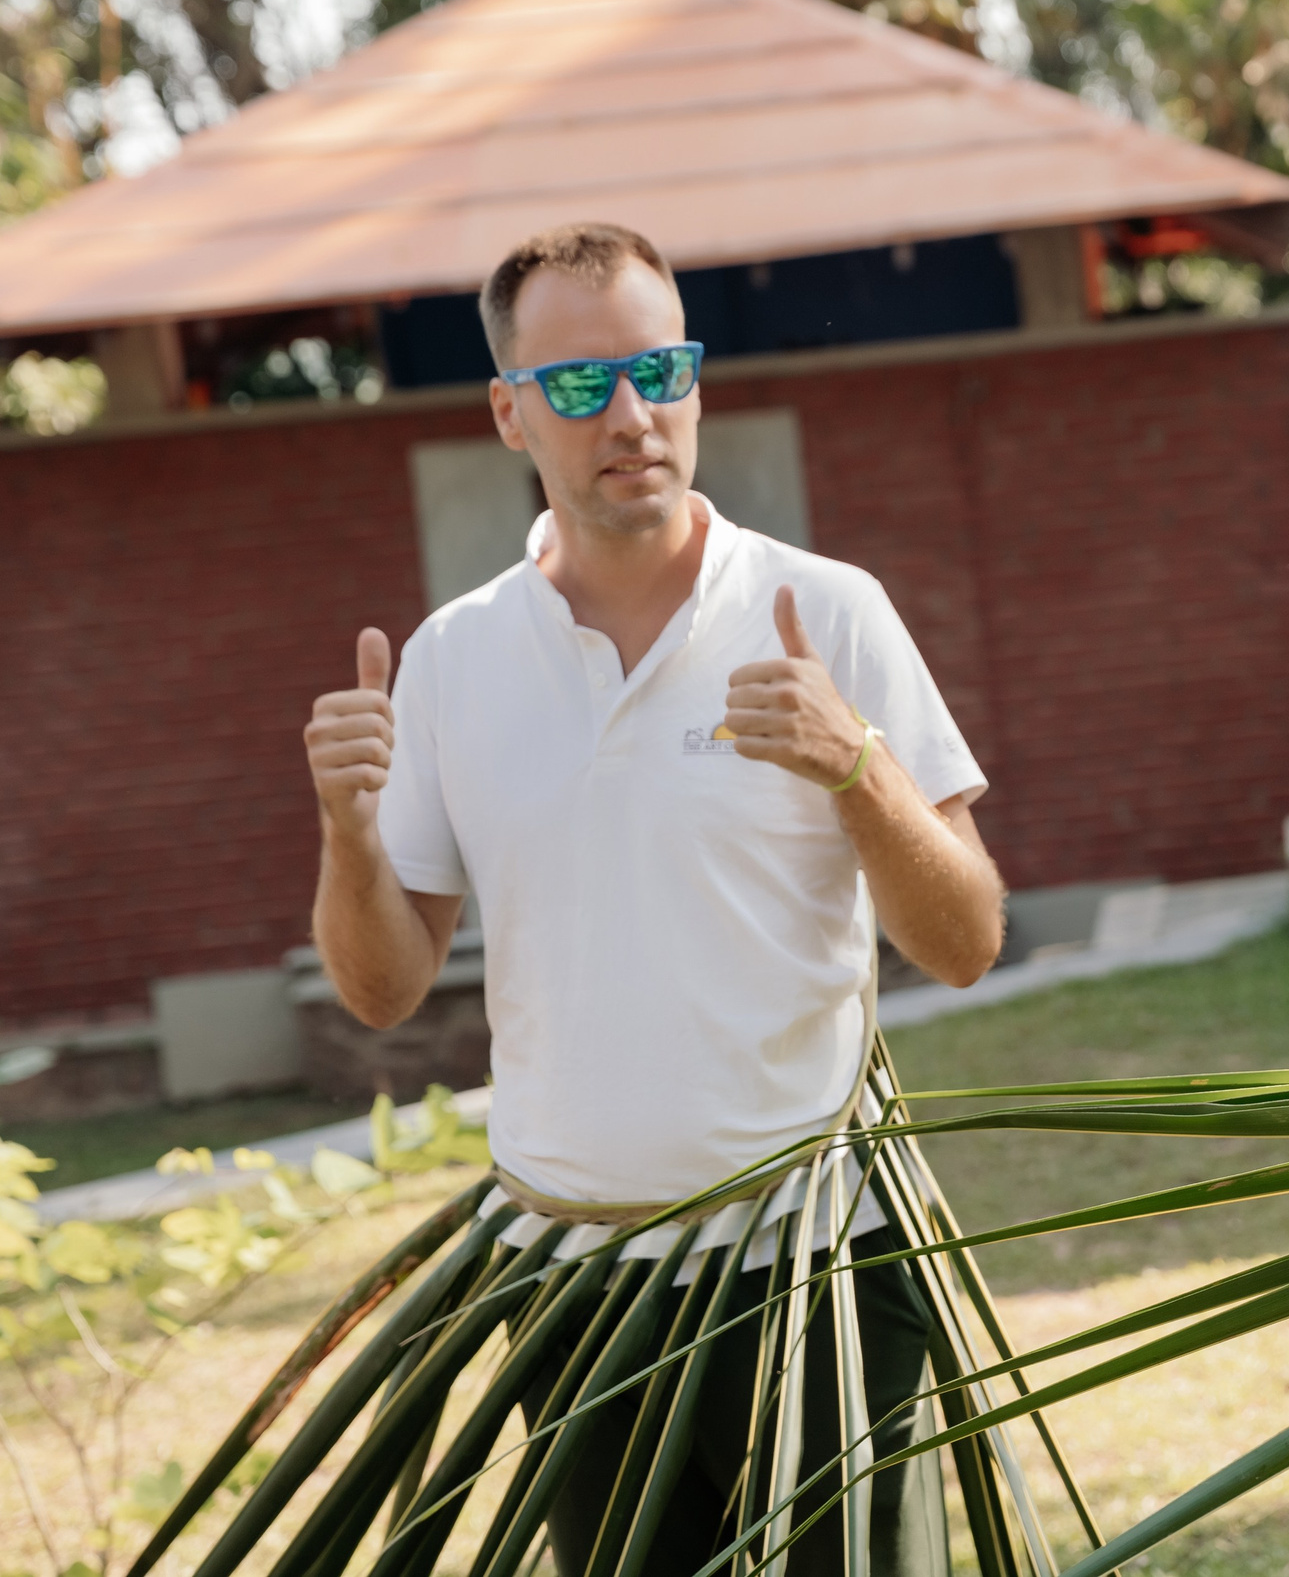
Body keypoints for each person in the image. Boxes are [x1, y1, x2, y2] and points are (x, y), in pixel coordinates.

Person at [301, 221, 1003, 1574]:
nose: (632, 415)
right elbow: (383, 990)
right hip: (574, 1276)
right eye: (578, 386)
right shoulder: (455, 659)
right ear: (510, 412)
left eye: (660, 368)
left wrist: (855, 762)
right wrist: (345, 833)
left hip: (825, 1255)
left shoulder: (828, 610)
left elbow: (966, 940)